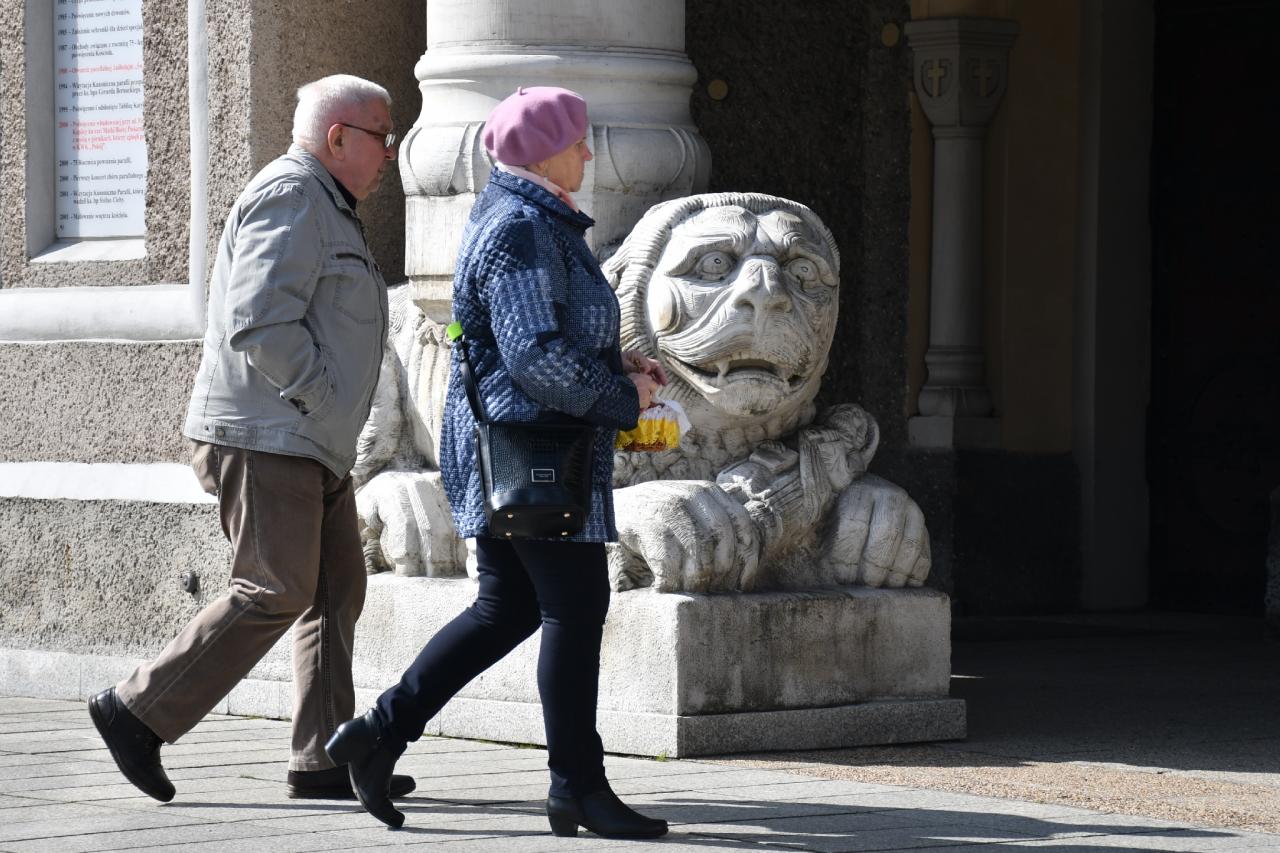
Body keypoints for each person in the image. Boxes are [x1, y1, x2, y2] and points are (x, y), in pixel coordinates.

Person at [324, 86, 669, 839]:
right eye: (577, 142)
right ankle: (577, 785)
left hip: (519, 450)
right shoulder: (521, 227)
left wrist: (615, 361)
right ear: (544, 153)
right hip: (529, 455)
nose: (588, 153)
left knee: (507, 607)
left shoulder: (534, 217)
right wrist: (624, 395)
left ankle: (380, 731)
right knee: (575, 608)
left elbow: (542, 335)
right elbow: (534, 358)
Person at [87, 74, 415, 803]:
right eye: (382, 135)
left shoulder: (326, 203)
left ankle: (323, 757)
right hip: (269, 434)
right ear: (337, 138)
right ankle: (136, 710)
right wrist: (323, 397)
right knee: (274, 586)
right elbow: (258, 321)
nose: (390, 152)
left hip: (307, 439)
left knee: (335, 589)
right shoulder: (293, 194)